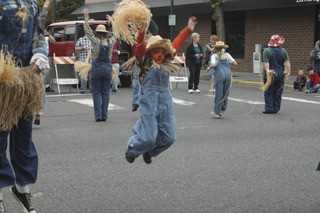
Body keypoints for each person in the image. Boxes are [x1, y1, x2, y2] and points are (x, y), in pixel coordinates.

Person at [124, 16, 197, 164]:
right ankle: (132, 149)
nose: (160, 55)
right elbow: (139, 47)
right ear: (149, 52)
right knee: (148, 137)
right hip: (149, 99)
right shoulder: (143, 61)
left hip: (165, 99)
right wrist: (142, 31)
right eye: (156, 51)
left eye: (162, 52)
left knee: (170, 137)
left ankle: (150, 152)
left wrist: (188, 29)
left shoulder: (167, 61)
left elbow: (175, 44)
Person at [0, 0, 50, 212]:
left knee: (24, 138)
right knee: (0, 137)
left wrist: (39, 53)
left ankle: (23, 188)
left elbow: (39, 33)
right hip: (3, 79)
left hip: (26, 80)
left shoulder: (31, 3)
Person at [82, 8, 115, 122]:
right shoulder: (110, 42)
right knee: (105, 92)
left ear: (98, 33)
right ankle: (105, 115)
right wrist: (112, 22)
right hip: (107, 69)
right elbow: (116, 34)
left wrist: (86, 17)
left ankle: (98, 116)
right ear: (106, 33)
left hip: (97, 69)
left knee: (96, 92)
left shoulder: (95, 41)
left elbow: (87, 31)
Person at [262, 34, 291, 114]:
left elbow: (266, 63)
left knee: (268, 91)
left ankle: (269, 109)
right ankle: (276, 108)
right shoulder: (283, 51)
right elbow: (287, 62)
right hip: (281, 74)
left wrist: (268, 70)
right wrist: (288, 72)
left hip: (271, 74)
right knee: (278, 91)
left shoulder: (266, 51)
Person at [207, 41, 237, 118]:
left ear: (216, 48)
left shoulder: (214, 56)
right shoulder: (227, 55)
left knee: (219, 94)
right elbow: (235, 63)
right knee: (225, 93)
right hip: (228, 75)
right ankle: (222, 110)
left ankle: (216, 112)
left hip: (219, 75)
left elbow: (213, 64)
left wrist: (209, 68)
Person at [75, 26, 93, 94]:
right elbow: (76, 48)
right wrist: (82, 48)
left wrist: (91, 48)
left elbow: (96, 48)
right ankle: (83, 89)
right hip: (83, 60)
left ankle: (92, 89)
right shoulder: (81, 39)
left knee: (91, 76)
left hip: (91, 60)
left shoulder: (92, 40)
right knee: (83, 76)